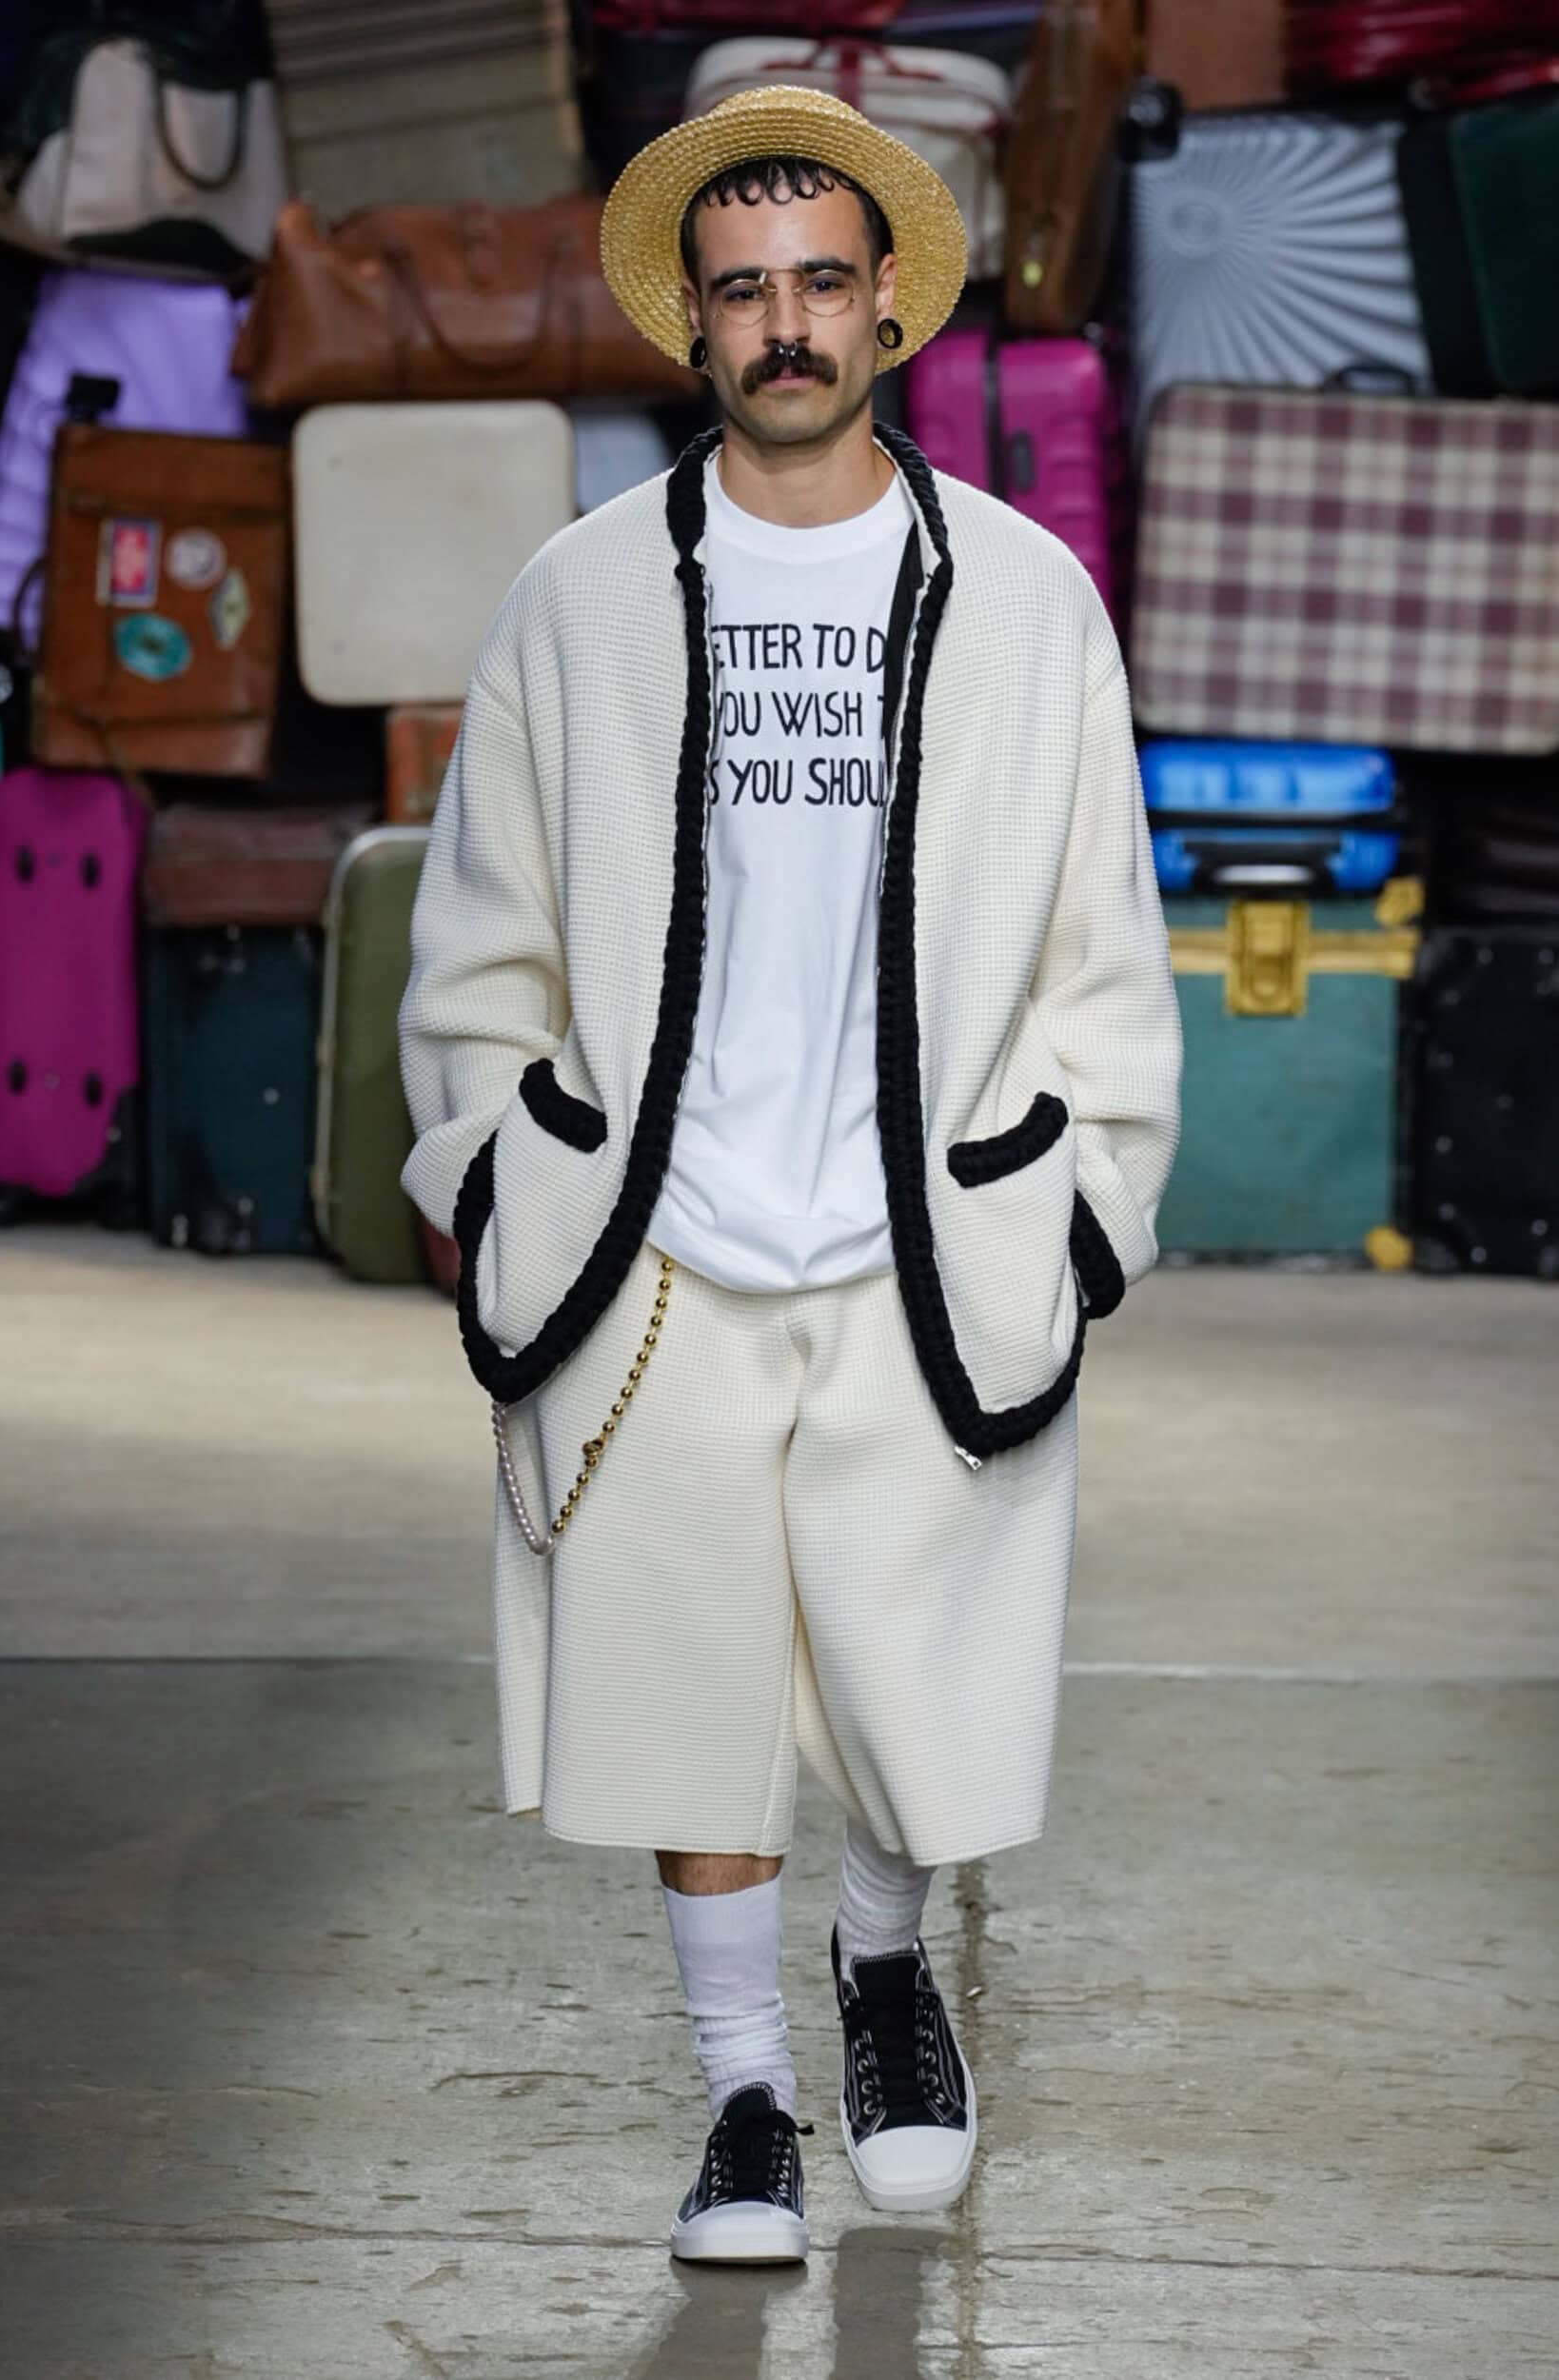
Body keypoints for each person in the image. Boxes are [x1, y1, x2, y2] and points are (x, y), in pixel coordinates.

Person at [398, 85, 1183, 2264]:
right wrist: (504, 1169)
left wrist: (1079, 1208)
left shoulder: (1023, 602)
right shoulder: (575, 603)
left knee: (910, 1672)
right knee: (680, 1688)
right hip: (649, 1245)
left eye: (820, 280)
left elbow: (1103, 946)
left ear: (888, 301)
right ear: (690, 319)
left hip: (927, 1236)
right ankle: (743, 2098)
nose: (783, 324)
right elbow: (480, 933)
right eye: (741, 289)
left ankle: (881, 1964)